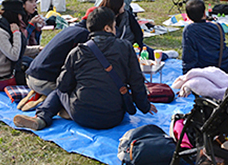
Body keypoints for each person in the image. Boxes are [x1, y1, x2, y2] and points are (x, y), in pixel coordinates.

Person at [13, 7, 156, 130]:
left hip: (80, 114)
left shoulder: (77, 52)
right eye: (114, 26)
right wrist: (145, 106)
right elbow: (136, 81)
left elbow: (63, 86)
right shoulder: (125, 47)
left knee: (58, 92)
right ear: (107, 28)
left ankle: (42, 117)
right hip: (114, 116)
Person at [0, 0, 41, 90]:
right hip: (5, 77)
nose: (21, 18)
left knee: (37, 62)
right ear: (13, 15)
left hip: (12, 69)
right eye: (19, 15)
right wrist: (16, 33)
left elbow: (20, 50)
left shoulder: (7, 26)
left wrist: (38, 49)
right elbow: (14, 55)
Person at [182, 0, 228, 74]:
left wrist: (187, 73)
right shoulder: (217, 26)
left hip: (207, 67)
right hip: (227, 63)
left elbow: (188, 55)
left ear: (188, 17)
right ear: (205, 13)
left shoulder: (189, 30)